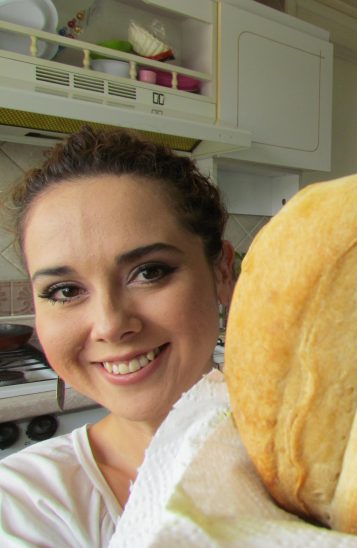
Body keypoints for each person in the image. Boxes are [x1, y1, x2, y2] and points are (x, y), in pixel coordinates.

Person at [0, 126, 235, 546]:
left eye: (149, 272)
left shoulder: (325, 455)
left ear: (220, 270)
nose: (110, 324)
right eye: (65, 291)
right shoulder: (22, 505)